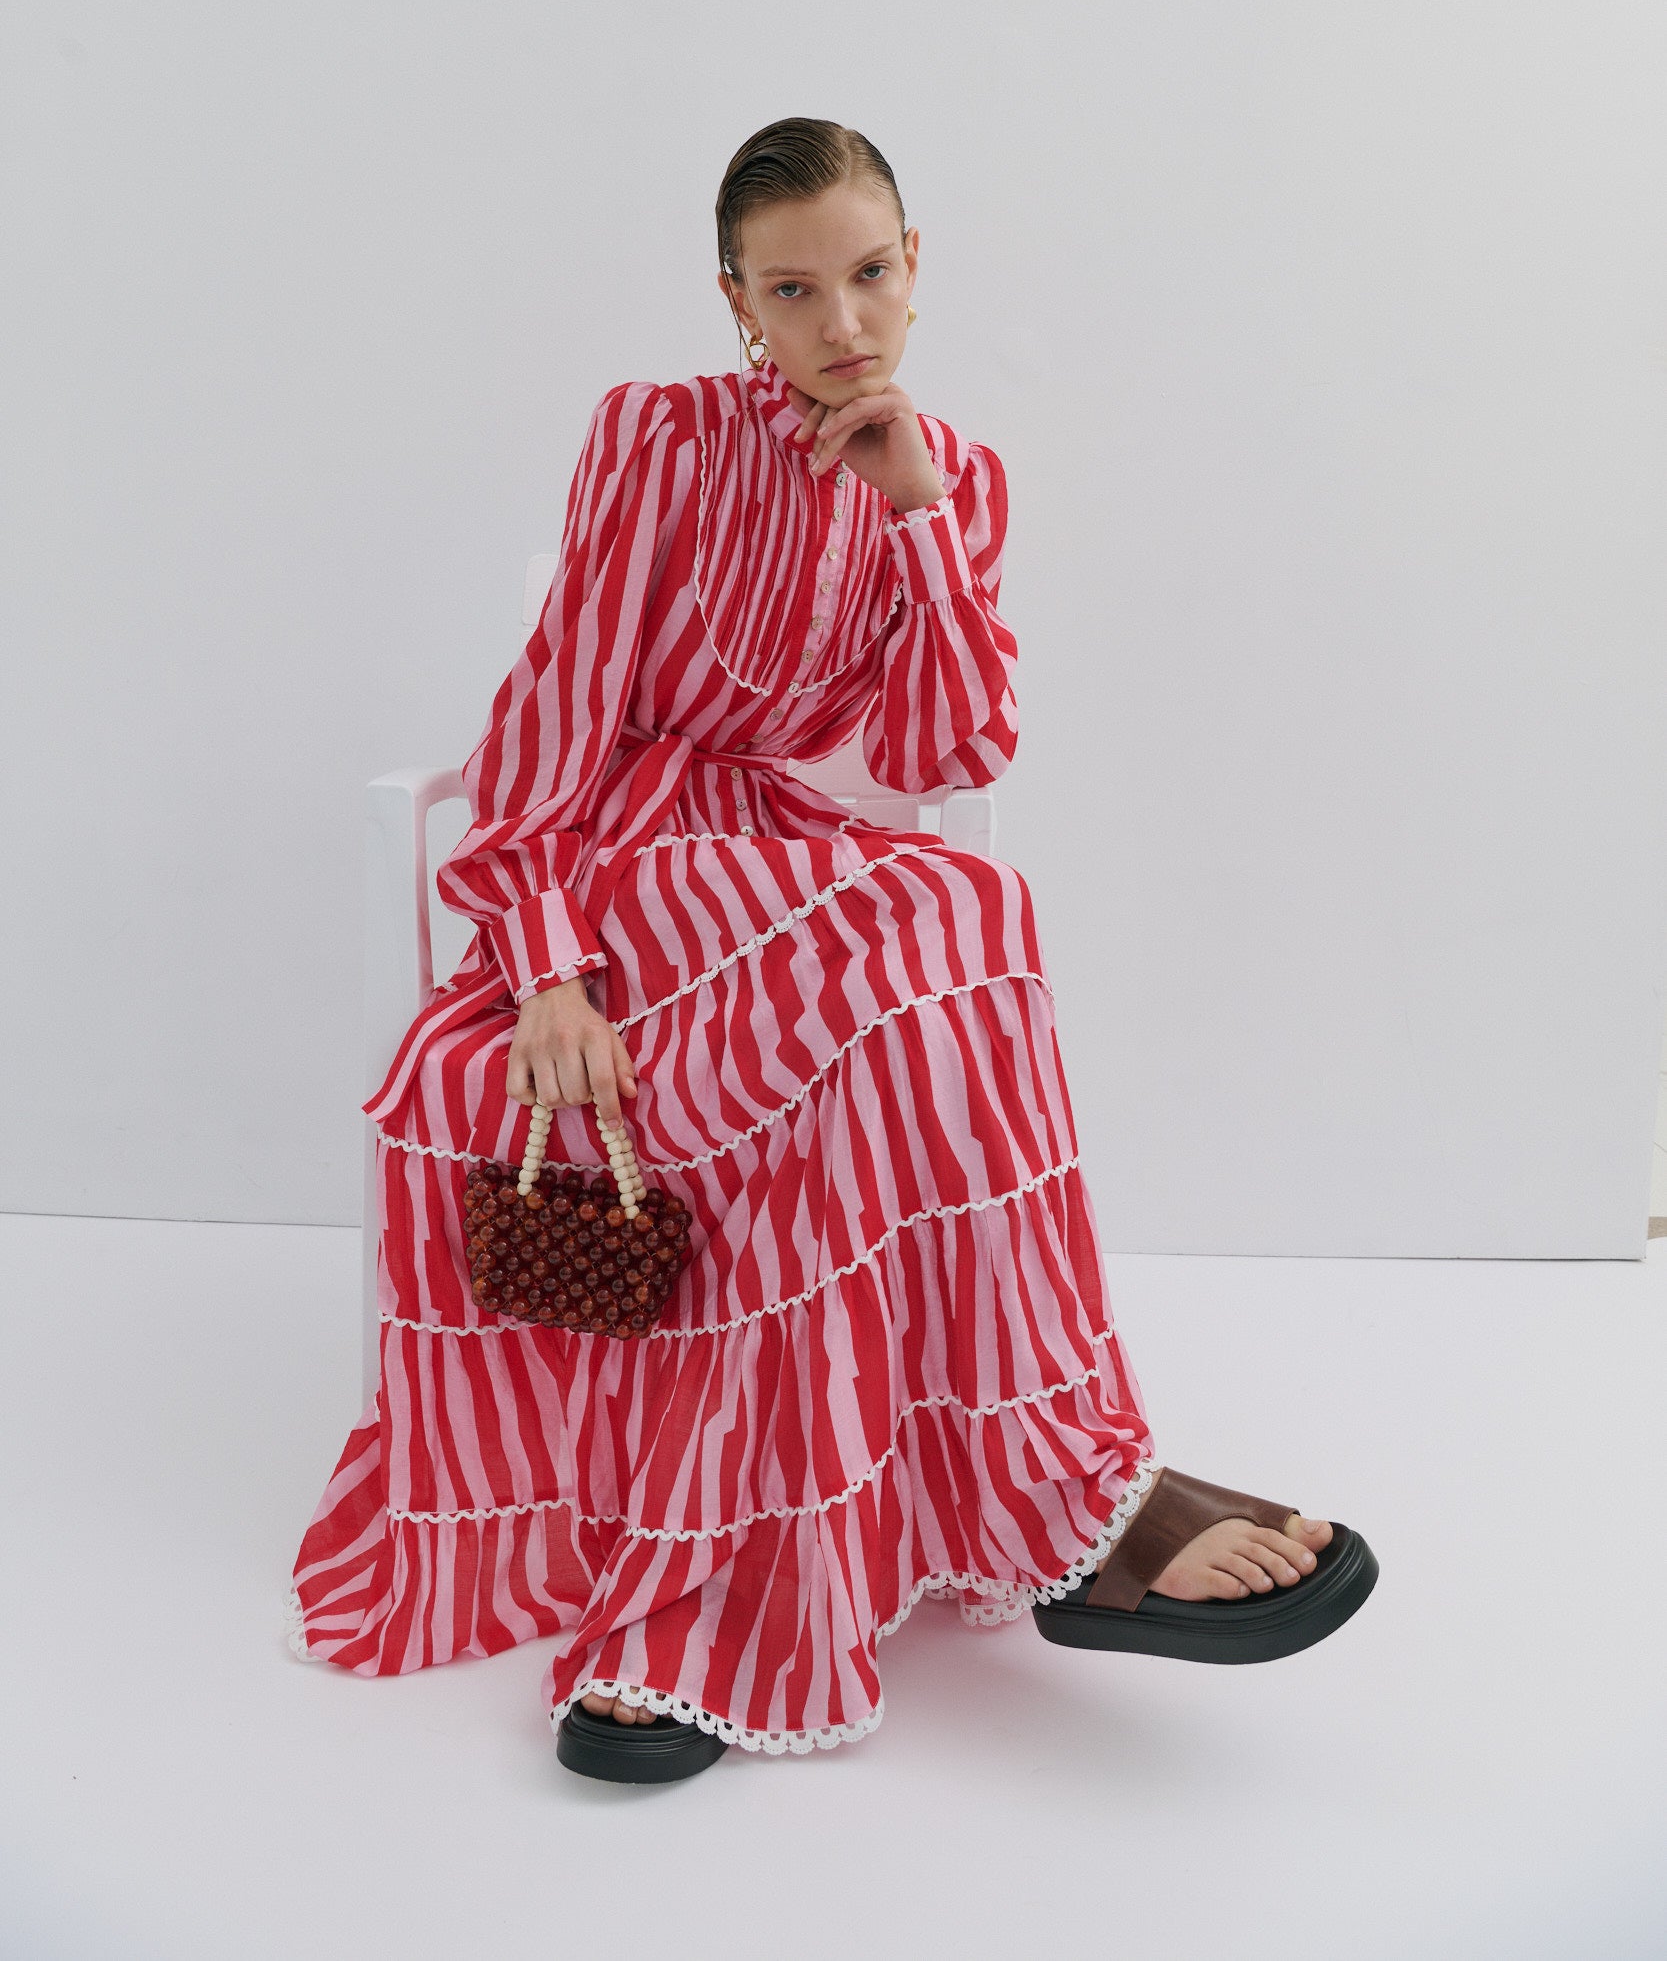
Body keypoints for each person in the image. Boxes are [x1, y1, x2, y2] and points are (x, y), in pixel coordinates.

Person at [286, 117, 1376, 1783]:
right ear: (739, 301)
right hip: (629, 856)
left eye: (868, 275)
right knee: (925, 939)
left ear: (916, 269)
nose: (838, 323)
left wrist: (920, 516)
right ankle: (1005, 1509)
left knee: (967, 913)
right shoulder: (653, 438)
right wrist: (553, 963)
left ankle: (1058, 1478)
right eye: (792, 290)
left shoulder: (960, 477)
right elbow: (558, 714)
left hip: (791, 864)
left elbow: (951, 752)